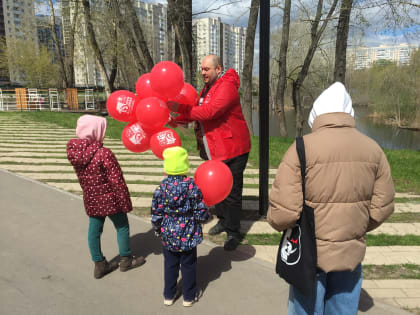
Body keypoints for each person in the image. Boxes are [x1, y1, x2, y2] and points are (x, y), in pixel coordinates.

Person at [267, 82, 395, 315]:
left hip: (310, 255)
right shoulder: (374, 149)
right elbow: (382, 206)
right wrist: (356, 227)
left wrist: (275, 222)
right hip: (351, 254)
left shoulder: (301, 148)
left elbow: (283, 212)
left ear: (316, 113)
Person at [167, 54, 251, 251]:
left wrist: (182, 109)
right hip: (212, 149)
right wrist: (177, 119)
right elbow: (197, 113)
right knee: (217, 190)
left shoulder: (227, 87)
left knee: (231, 193)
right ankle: (223, 220)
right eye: (202, 69)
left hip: (232, 149)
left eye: (207, 69)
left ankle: (233, 232)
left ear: (218, 69)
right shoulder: (206, 89)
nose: (203, 72)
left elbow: (210, 112)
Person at [67, 114, 145, 279]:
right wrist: (125, 202)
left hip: (91, 198)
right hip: (111, 200)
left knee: (94, 230)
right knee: (122, 226)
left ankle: (99, 264)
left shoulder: (75, 153)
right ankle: (125, 260)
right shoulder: (104, 153)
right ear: (97, 131)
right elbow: (117, 181)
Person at [151, 146, 210, 307]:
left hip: (168, 232)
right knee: (189, 265)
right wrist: (204, 218)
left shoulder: (161, 188)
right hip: (188, 232)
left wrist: (157, 227)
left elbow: (156, 211)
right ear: (185, 165)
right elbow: (200, 209)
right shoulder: (191, 186)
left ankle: (168, 295)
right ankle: (189, 297)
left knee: (170, 264)